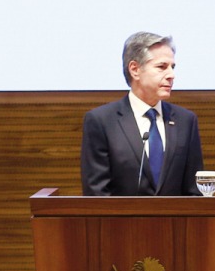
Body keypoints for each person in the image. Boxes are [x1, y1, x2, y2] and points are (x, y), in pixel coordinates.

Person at [81, 32, 205, 196]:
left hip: (175, 221)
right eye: (162, 67)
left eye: (172, 67)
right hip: (120, 221)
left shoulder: (185, 120)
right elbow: (97, 193)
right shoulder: (102, 121)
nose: (171, 75)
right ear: (135, 70)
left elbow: (194, 191)